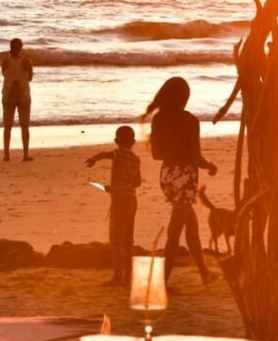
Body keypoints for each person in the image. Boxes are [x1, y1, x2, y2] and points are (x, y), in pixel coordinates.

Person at [143, 77, 218, 285]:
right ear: (185, 98)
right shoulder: (190, 121)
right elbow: (196, 158)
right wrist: (211, 166)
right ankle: (162, 284)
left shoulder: (159, 119)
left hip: (167, 175)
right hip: (185, 178)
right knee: (175, 231)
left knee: (190, 225)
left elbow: (156, 155)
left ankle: (204, 273)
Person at [85, 125, 142, 286]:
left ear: (116, 141)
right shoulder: (136, 159)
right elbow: (137, 182)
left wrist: (93, 159)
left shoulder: (117, 153)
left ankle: (117, 277)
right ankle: (128, 277)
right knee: (128, 241)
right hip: (132, 199)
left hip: (120, 200)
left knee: (116, 241)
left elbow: (105, 154)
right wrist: (123, 184)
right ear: (134, 142)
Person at [1, 38, 33, 162]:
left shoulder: (5, 61)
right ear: (21, 47)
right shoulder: (27, 61)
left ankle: (6, 155)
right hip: (24, 95)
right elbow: (30, 78)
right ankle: (25, 154)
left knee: (7, 126)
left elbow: (4, 74)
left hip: (7, 95)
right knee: (24, 126)